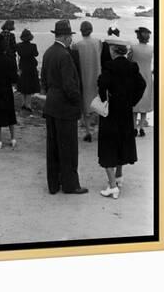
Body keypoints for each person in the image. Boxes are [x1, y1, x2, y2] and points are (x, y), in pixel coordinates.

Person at [41, 20, 88, 195]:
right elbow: (70, 86)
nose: (70, 40)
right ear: (66, 37)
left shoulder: (48, 53)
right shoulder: (65, 56)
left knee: (52, 147)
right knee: (68, 148)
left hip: (51, 105)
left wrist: (52, 94)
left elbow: (44, 80)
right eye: (70, 37)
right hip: (65, 108)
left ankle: (53, 184)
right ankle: (70, 185)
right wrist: (78, 102)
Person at [97, 38, 146, 199]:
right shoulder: (132, 67)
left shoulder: (109, 66)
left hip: (111, 111)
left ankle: (112, 187)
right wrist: (131, 101)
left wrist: (104, 99)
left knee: (108, 146)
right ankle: (118, 177)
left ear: (113, 50)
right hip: (126, 111)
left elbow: (102, 84)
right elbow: (142, 84)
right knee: (121, 143)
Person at [71, 21, 102, 142]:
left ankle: (88, 131)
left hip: (84, 77)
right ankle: (99, 131)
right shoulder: (98, 42)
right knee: (98, 105)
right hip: (96, 76)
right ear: (91, 30)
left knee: (85, 106)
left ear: (81, 31)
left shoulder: (77, 45)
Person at [131, 27, 153, 137]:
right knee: (144, 105)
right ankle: (142, 128)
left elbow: (130, 61)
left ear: (138, 36)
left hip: (135, 78)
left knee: (135, 104)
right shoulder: (151, 49)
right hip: (147, 77)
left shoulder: (133, 48)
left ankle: (134, 127)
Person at [16, 28, 40, 113]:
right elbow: (36, 54)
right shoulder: (33, 46)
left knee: (22, 86)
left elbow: (18, 53)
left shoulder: (18, 46)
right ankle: (28, 105)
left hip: (22, 66)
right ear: (30, 37)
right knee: (29, 86)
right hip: (31, 67)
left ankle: (23, 103)